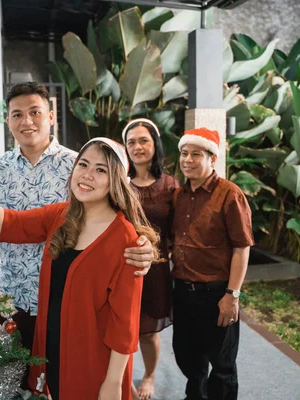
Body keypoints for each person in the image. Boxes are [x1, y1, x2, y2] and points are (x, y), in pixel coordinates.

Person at [0, 82, 155, 356]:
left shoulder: (80, 165)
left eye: (35, 112)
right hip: (12, 300)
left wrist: (143, 245)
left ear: (50, 117)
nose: (27, 121)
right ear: (8, 120)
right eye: (17, 114)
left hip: (67, 301)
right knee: (15, 384)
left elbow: (118, 214)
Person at [0, 137, 160, 400]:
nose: (87, 175)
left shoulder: (126, 240)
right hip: (52, 349)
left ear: (117, 180)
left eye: (101, 170)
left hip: (93, 362)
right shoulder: (63, 216)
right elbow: (8, 222)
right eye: (83, 164)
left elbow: (124, 324)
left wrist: (113, 381)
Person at [171, 127, 254, 400]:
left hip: (217, 294)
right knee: (187, 356)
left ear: (212, 158)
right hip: (183, 292)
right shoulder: (179, 195)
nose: (188, 160)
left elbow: (242, 248)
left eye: (196, 154)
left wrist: (233, 295)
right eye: (184, 153)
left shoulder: (230, 194)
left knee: (222, 365)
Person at [122, 118, 178, 400]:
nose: (137, 146)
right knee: (121, 330)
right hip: (123, 267)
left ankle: (149, 375)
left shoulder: (170, 186)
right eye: (131, 141)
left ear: (155, 144)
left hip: (156, 271)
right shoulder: (119, 183)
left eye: (143, 140)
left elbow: (179, 231)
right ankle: (124, 382)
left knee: (146, 332)